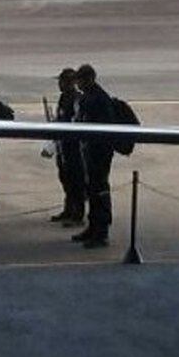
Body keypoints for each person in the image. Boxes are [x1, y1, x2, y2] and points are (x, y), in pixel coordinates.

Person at [72, 64, 115, 249]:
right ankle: (93, 226)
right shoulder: (88, 97)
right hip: (89, 150)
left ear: (89, 79)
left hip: (99, 152)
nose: (78, 83)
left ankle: (101, 230)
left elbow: (105, 128)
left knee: (99, 189)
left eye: (80, 79)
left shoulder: (99, 99)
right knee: (92, 189)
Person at [49, 68, 87, 228]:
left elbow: (76, 122)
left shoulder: (77, 99)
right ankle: (68, 209)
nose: (59, 84)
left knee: (76, 180)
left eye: (62, 81)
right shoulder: (63, 98)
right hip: (63, 145)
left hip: (74, 148)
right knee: (65, 178)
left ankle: (78, 214)